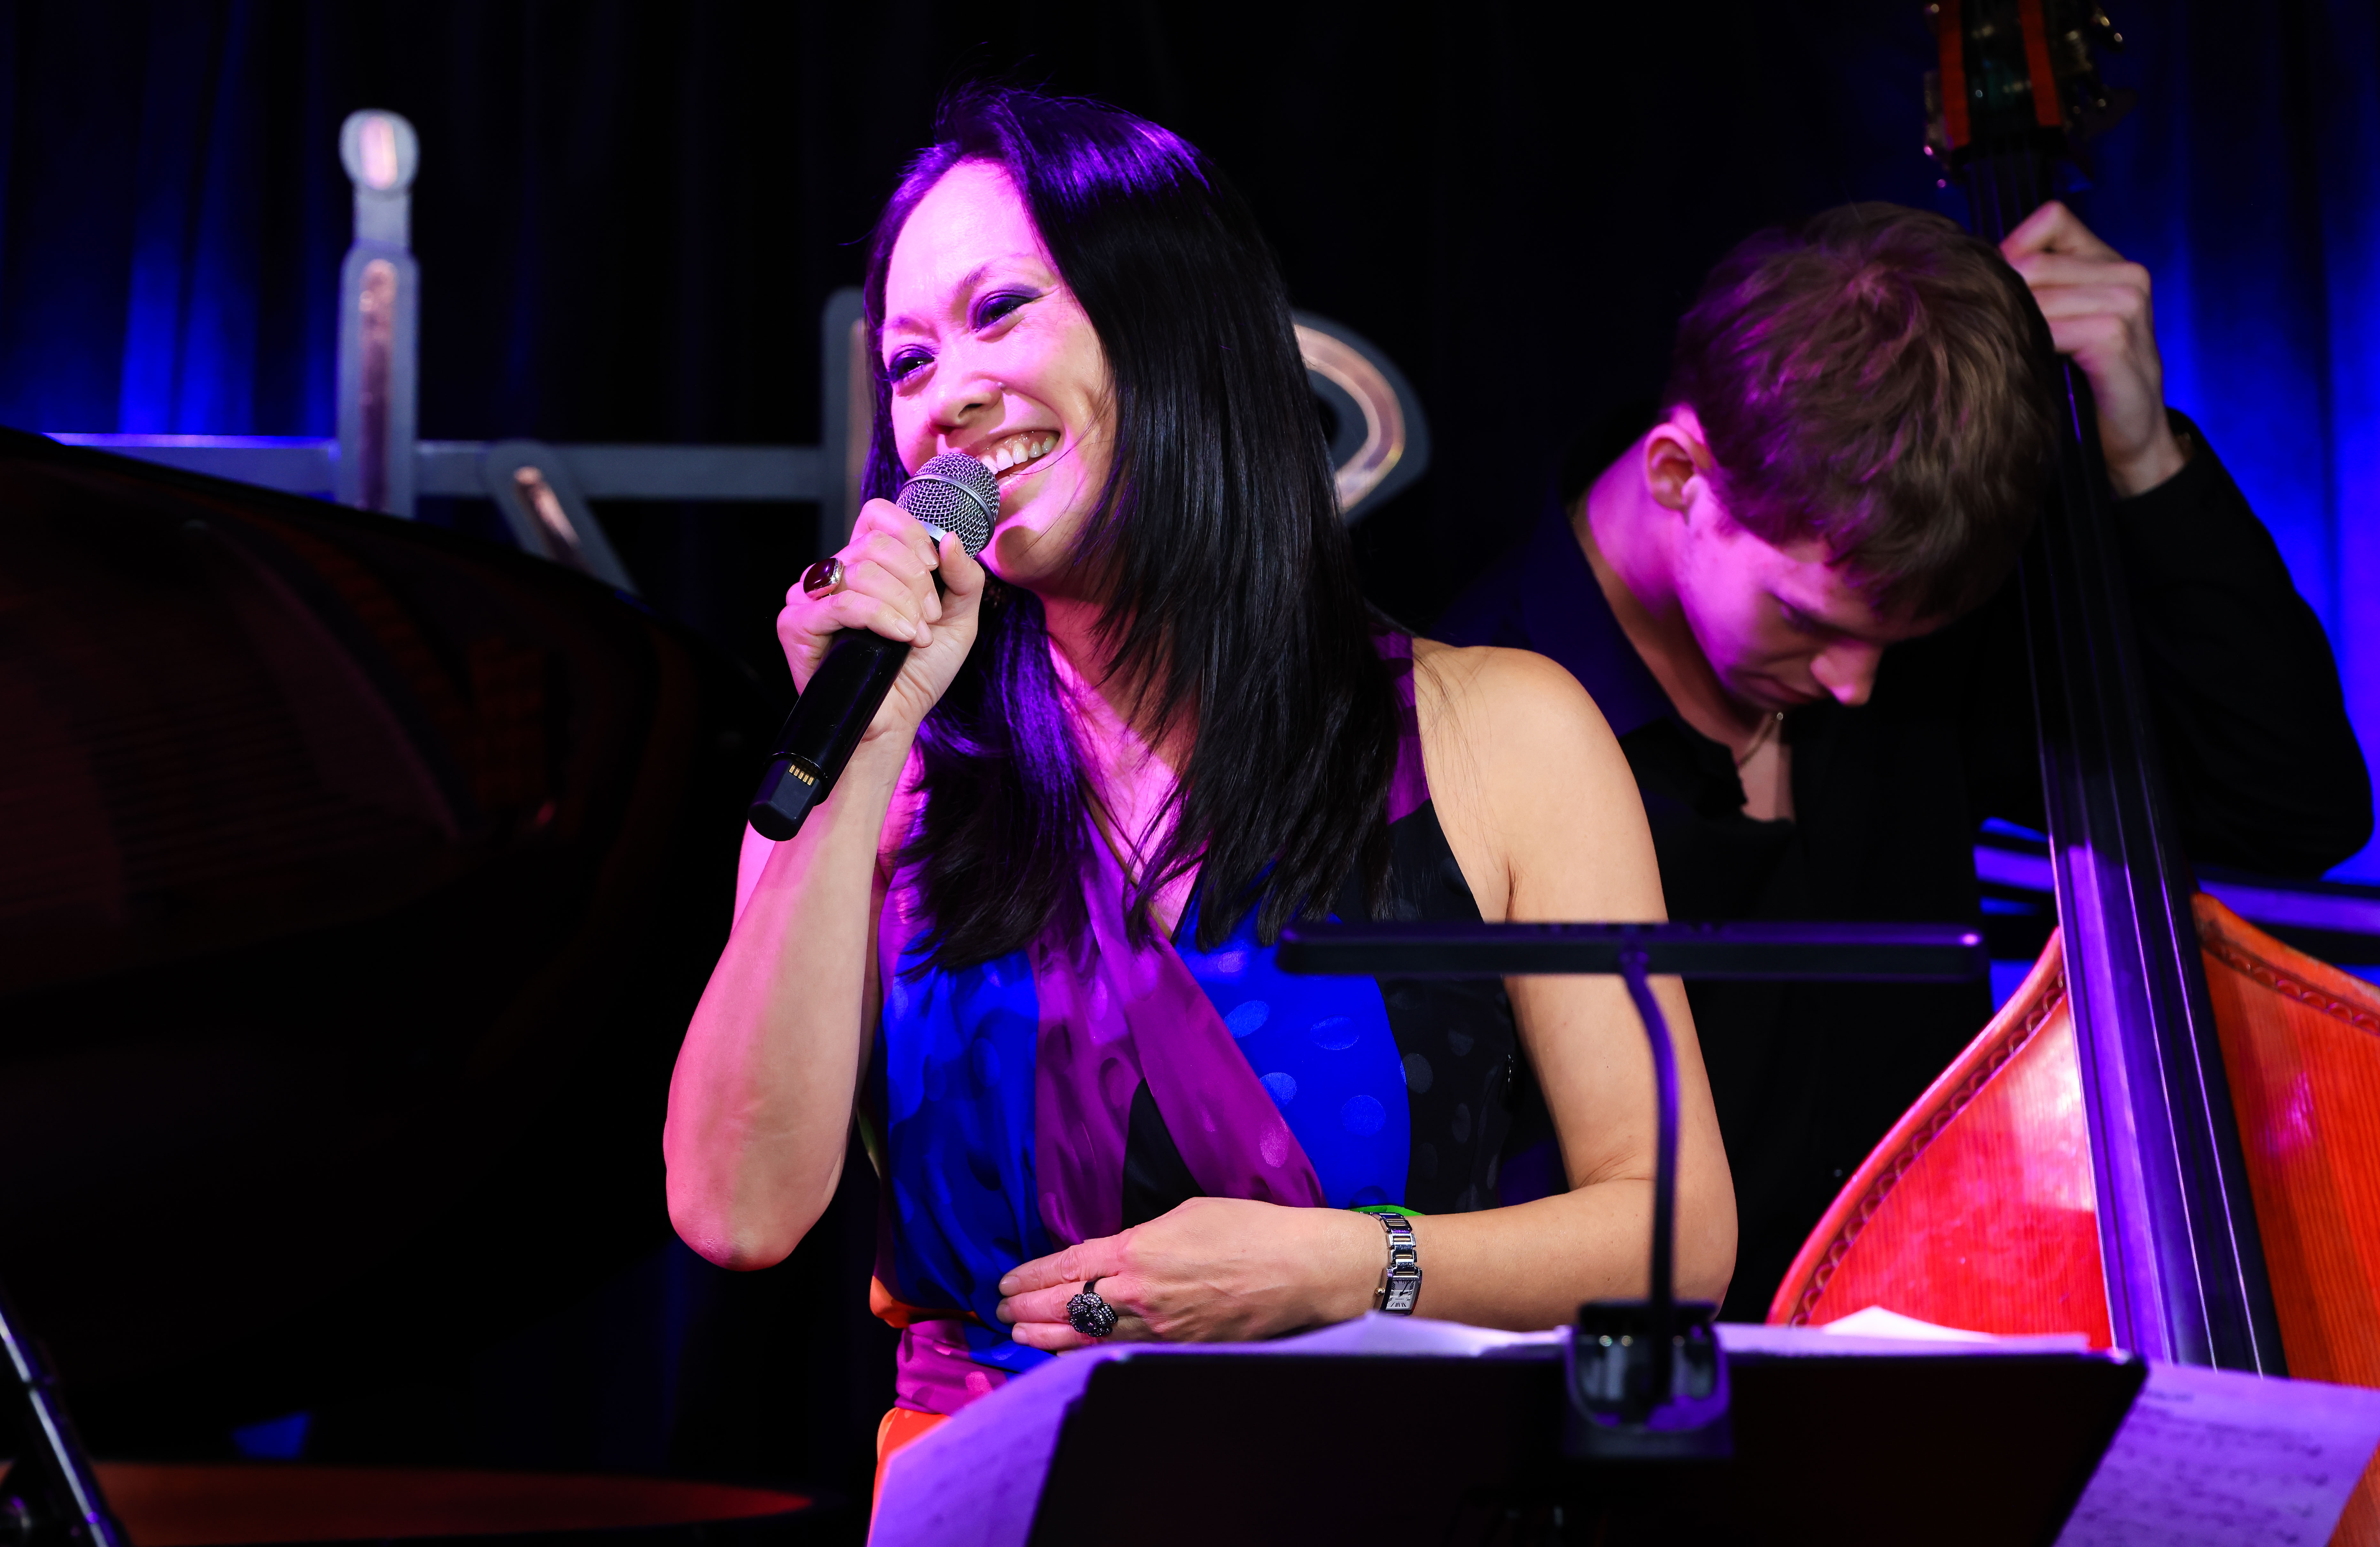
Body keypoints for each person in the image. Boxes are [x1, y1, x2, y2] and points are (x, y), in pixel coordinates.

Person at [663, 88, 1736, 1475]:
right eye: (909, 361)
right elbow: (733, 1211)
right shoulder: (886, 777)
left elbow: (1673, 1233)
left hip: (1374, 1493)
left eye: (999, 313)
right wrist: (864, 748)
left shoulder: (1499, 734)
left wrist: (1348, 1269)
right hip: (997, 1500)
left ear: (1173, 325)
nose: (949, 395)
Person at [1438, 201, 2374, 1320]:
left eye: (1894, 643)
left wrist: (2142, 452)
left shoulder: (1900, 627)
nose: (1856, 685)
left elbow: (2289, 807)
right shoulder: (1466, 724)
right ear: (1682, 475)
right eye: (1808, 621)